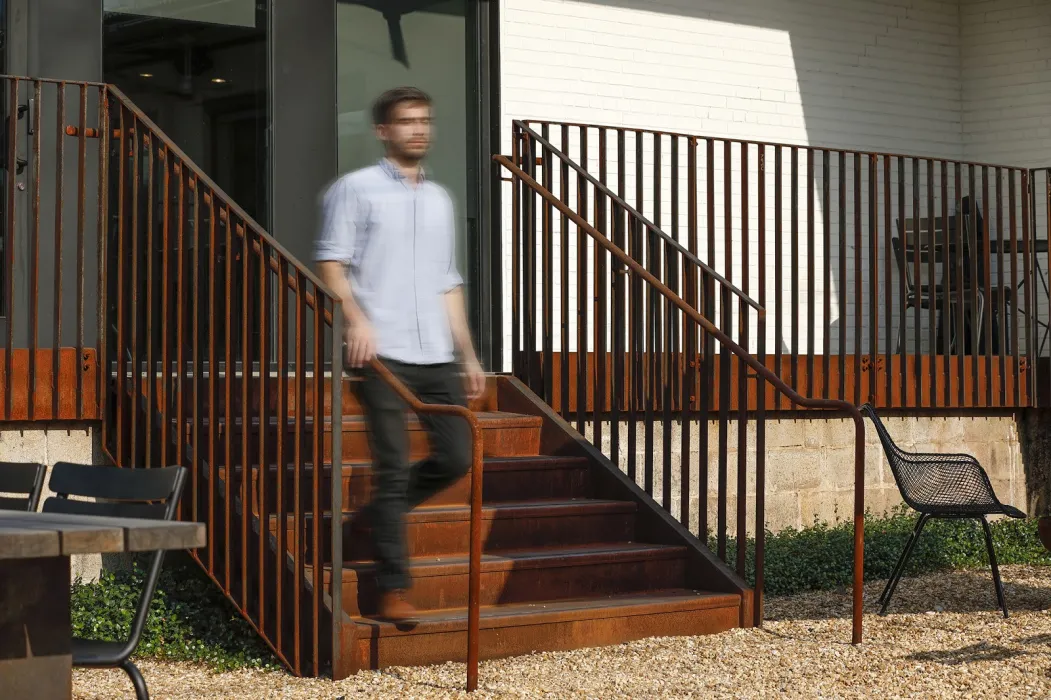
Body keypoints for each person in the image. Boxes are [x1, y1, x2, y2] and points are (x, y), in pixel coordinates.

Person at [314, 86, 484, 623]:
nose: (419, 129)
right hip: (381, 353)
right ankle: (392, 588)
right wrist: (356, 322)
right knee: (391, 469)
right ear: (384, 131)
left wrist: (469, 354)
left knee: (456, 457)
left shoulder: (440, 199)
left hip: (435, 352)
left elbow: (447, 282)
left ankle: (374, 518)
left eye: (425, 120)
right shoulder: (355, 190)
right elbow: (332, 263)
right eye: (407, 121)